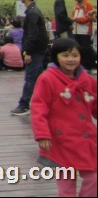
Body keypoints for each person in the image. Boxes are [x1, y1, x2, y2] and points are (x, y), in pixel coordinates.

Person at [31, 38, 97, 197]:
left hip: (86, 139)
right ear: (56, 57)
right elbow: (38, 108)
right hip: (61, 141)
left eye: (75, 55)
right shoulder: (47, 78)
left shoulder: (87, 80)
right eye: (65, 55)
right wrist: (42, 134)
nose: (70, 59)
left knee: (94, 178)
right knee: (66, 185)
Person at [10, 0, 48, 115]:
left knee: (30, 78)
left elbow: (33, 35)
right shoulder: (33, 10)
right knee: (38, 79)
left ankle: (24, 105)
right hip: (39, 50)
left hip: (36, 51)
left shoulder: (32, 13)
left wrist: (28, 52)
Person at [71, 0, 96, 71]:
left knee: (86, 48)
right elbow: (73, 15)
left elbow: (88, 18)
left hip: (85, 30)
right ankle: (81, 65)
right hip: (76, 30)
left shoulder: (88, 4)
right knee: (79, 48)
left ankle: (89, 66)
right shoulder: (76, 5)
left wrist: (76, 19)